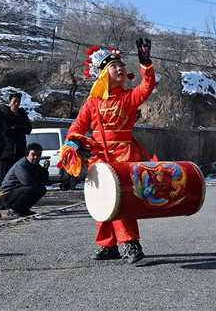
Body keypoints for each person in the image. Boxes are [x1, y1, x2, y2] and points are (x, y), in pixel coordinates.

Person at [63, 38, 156, 264]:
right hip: (99, 158)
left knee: (123, 200)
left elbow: (147, 87)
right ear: (104, 74)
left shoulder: (129, 97)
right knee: (100, 200)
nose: (121, 69)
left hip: (124, 155)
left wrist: (146, 63)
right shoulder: (92, 103)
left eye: (122, 66)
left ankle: (131, 244)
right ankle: (108, 245)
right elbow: (78, 126)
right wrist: (72, 143)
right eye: (115, 66)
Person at [0, 142, 49, 217]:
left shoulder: (36, 165)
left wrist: (45, 169)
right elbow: (27, 182)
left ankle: (23, 209)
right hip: (8, 194)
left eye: (38, 155)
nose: (36, 157)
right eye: (33, 155)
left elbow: (44, 182)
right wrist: (38, 184)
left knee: (42, 189)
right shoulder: (21, 165)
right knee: (32, 188)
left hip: (19, 190)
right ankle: (14, 210)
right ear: (27, 155)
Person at [0, 92, 32, 187]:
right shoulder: (5, 115)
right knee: (4, 175)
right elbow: (6, 131)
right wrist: (18, 129)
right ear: (10, 102)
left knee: (19, 175)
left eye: (18, 101)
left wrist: (16, 127)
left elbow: (28, 129)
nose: (16, 104)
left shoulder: (23, 115)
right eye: (14, 101)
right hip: (6, 152)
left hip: (20, 150)